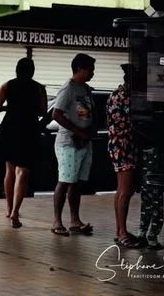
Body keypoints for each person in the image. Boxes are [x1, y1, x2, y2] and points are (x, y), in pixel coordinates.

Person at [0, 57, 47, 229]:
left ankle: (9, 209)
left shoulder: (7, 85)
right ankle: (16, 211)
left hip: (10, 128)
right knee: (22, 171)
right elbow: (43, 111)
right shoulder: (39, 88)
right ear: (32, 71)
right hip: (29, 129)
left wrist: (9, 107)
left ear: (17, 70)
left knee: (9, 169)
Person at [51, 53, 96, 237]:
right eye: (90, 69)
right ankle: (57, 222)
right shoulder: (67, 89)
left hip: (84, 142)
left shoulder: (86, 89)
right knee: (65, 181)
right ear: (79, 69)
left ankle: (75, 221)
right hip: (68, 143)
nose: (92, 73)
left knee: (76, 183)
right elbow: (56, 114)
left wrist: (88, 133)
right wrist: (79, 132)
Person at [107, 63, 141, 248]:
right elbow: (133, 123)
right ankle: (122, 233)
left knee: (121, 190)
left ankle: (120, 230)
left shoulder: (115, 94)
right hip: (124, 146)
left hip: (118, 145)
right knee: (125, 191)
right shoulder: (125, 97)